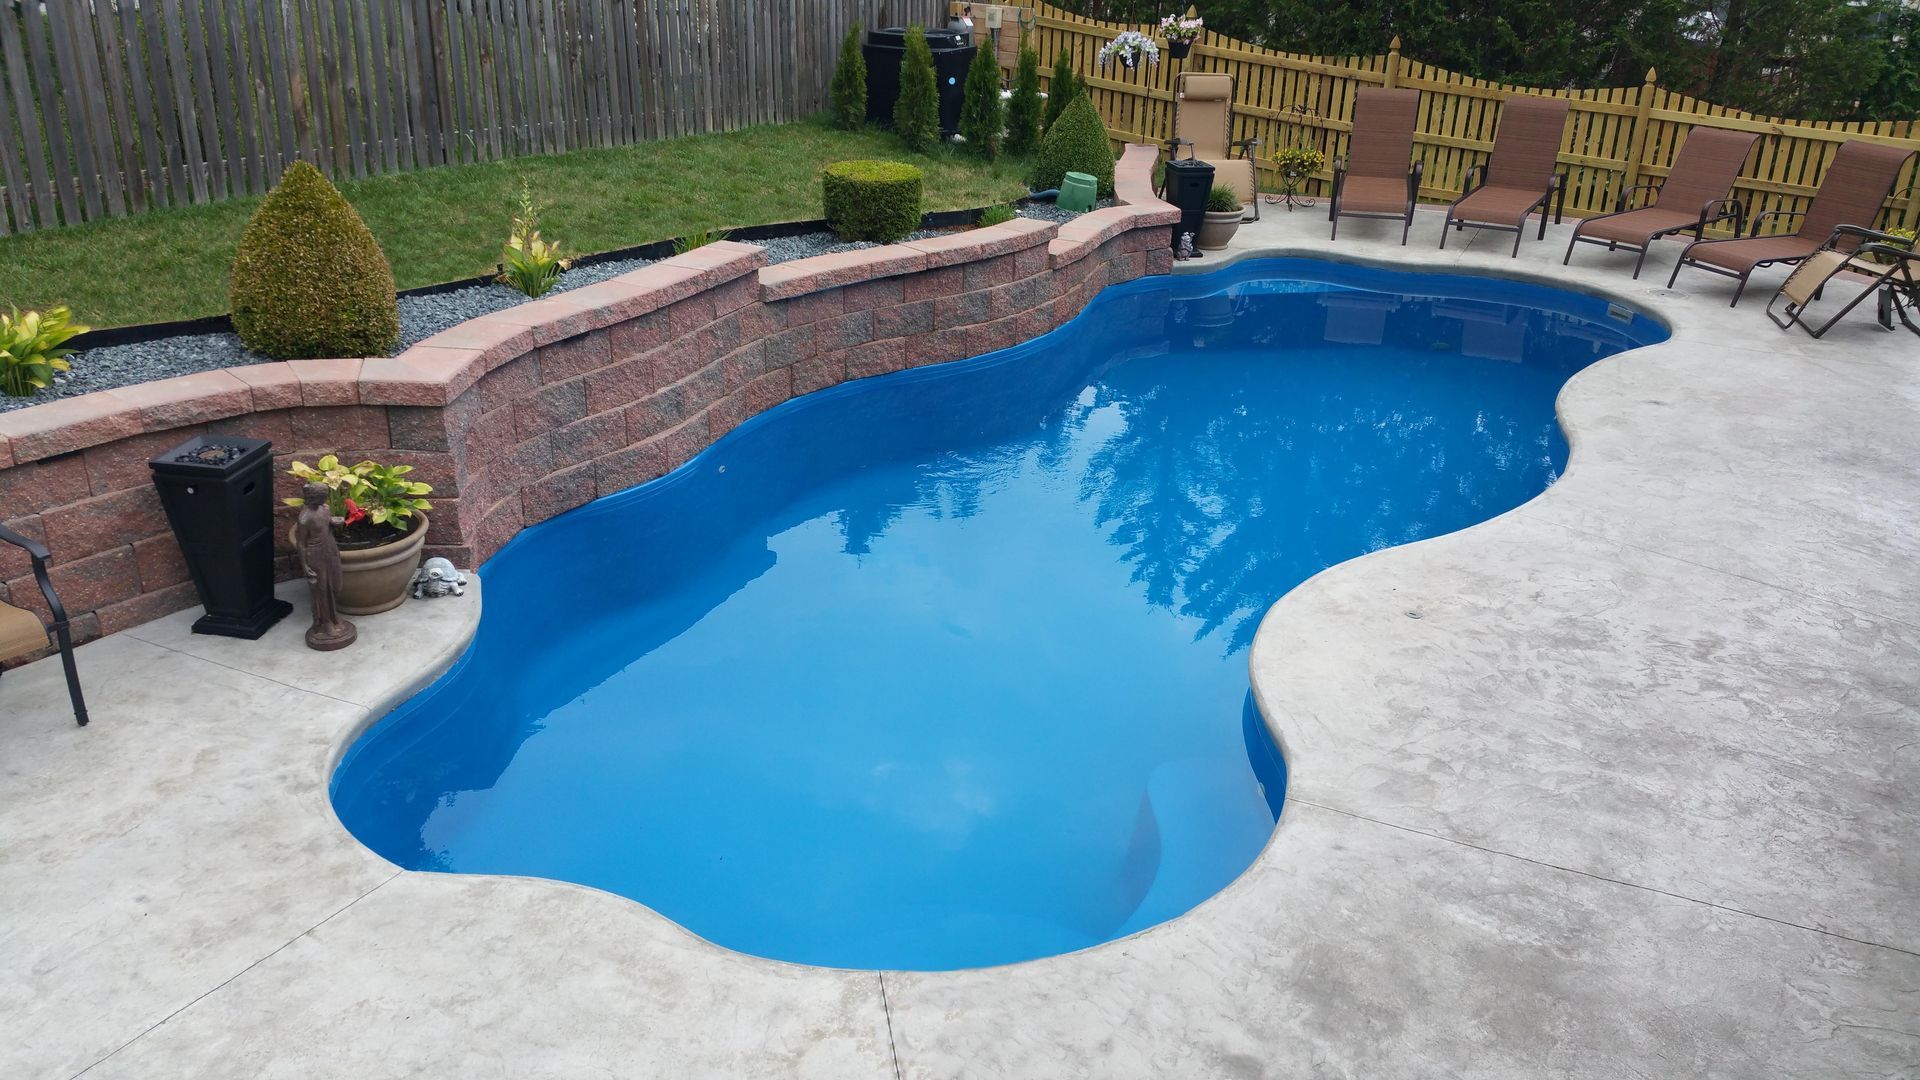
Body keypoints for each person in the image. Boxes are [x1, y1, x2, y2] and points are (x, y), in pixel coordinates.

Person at [295, 482, 356, 651]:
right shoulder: (305, 518)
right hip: (315, 554)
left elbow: (326, 522)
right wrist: (304, 565)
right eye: (322, 496)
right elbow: (301, 543)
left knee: (334, 585)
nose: (325, 499)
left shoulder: (325, 508)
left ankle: (335, 618)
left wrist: (333, 521)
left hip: (330, 548)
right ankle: (325, 624)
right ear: (312, 497)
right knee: (321, 590)